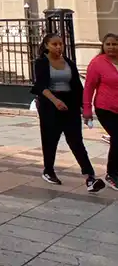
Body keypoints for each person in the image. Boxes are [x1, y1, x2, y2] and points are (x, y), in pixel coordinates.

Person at [32, 33, 105, 192]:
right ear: (46, 46)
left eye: (61, 44)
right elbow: (40, 86)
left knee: (76, 141)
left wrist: (84, 108)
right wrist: (55, 101)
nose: (59, 47)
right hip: (50, 105)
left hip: (69, 105)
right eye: (54, 44)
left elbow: (78, 87)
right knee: (50, 140)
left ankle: (90, 177)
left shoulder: (69, 63)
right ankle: (48, 170)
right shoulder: (41, 63)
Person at [83, 33, 118, 191]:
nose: (111, 47)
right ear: (103, 46)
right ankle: (111, 174)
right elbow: (89, 87)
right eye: (108, 44)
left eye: (115, 44)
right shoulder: (97, 63)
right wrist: (87, 110)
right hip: (106, 108)